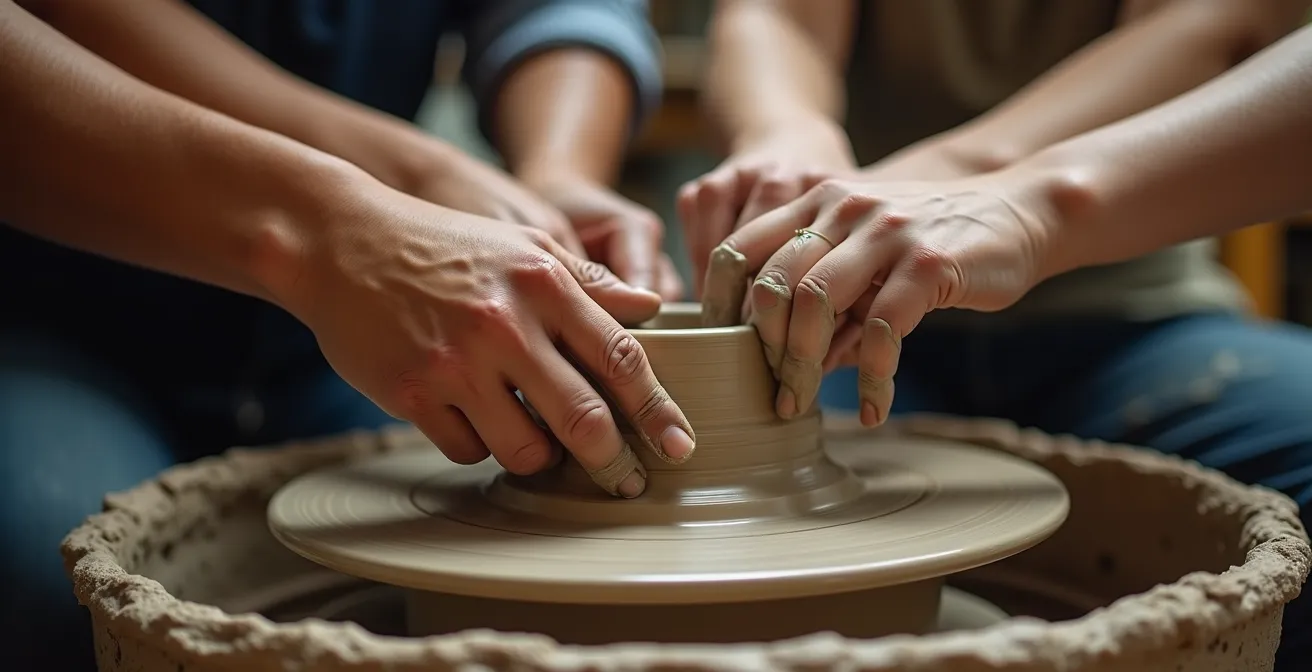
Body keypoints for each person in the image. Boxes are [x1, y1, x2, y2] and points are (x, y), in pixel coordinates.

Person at [0, 1, 693, 668]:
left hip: (340, 350)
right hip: (60, 309)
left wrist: (553, 181)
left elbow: (554, 7)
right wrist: (331, 224)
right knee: (46, 574)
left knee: (502, 558)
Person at [683, 1, 1312, 668]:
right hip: (850, 325)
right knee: (743, 512)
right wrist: (785, 134)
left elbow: (1214, 24)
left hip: (1134, 318)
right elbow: (780, 18)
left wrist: (1003, 186)